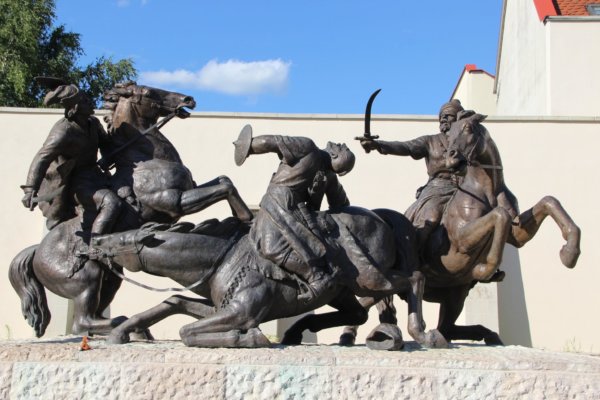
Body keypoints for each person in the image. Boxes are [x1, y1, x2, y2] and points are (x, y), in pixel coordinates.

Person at [240, 134, 355, 302]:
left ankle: (316, 277)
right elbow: (342, 205)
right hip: (288, 206)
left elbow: (270, 142)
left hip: (280, 202)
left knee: (271, 248)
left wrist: (247, 146)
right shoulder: (326, 173)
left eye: (343, 148)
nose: (341, 143)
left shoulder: (308, 148)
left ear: (334, 155)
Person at [359, 99, 465, 249]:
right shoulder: (430, 141)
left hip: (465, 186)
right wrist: (378, 144)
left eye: (448, 115)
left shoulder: (468, 141)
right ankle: (413, 255)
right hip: (438, 189)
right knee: (431, 217)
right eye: (442, 116)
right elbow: (407, 147)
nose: (443, 119)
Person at [21, 83, 121, 240]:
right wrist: (30, 189)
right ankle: (96, 244)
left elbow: (106, 145)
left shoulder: (93, 123)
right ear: (75, 107)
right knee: (110, 202)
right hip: (75, 180)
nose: (90, 102)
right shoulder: (64, 131)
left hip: (95, 175)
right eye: (85, 101)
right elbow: (43, 157)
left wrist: (109, 156)